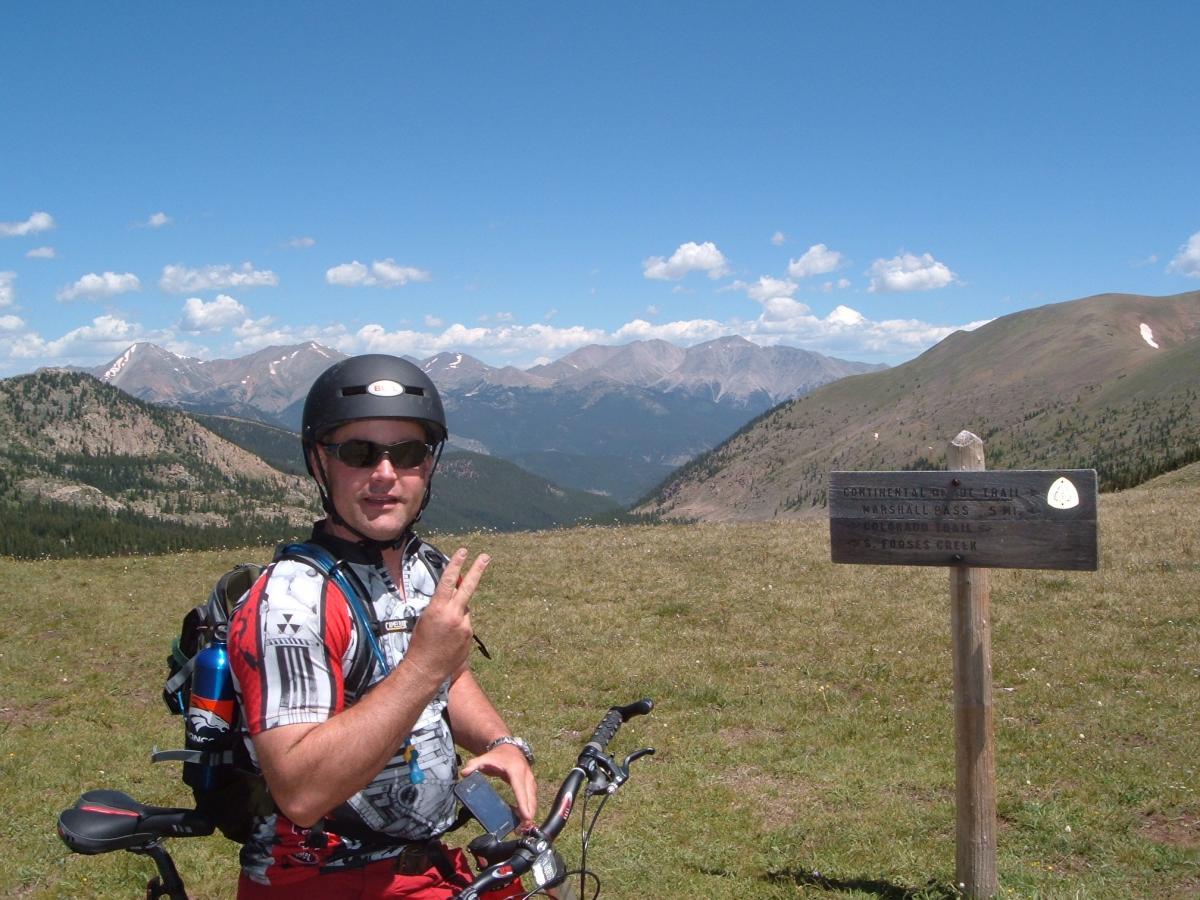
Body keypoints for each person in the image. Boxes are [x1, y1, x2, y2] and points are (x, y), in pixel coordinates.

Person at [228, 354, 536, 898]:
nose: (386, 475)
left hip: (431, 860)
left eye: (409, 453)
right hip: (323, 875)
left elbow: (450, 679)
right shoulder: (290, 600)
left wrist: (501, 741)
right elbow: (300, 791)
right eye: (359, 452)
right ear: (319, 463)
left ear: (430, 464)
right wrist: (422, 665)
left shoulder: (425, 569)